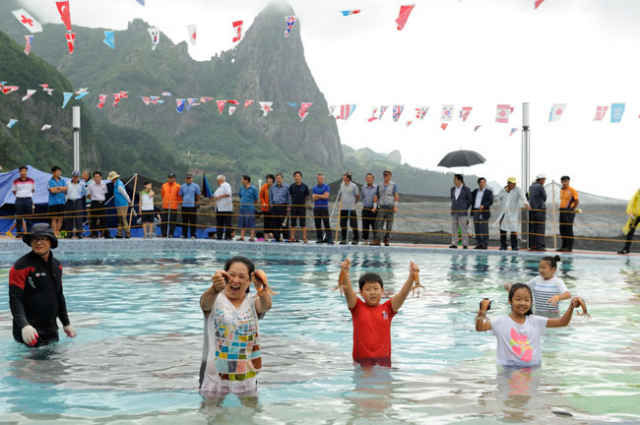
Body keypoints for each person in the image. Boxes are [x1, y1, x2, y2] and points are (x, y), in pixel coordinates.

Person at [199, 256, 272, 399]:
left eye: (242, 276)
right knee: (214, 420)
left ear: (250, 281)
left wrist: (261, 288)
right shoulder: (215, 299)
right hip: (216, 377)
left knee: (248, 418)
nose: (236, 280)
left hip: (246, 376)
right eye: (231, 275)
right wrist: (214, 288)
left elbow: (266, 305)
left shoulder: (252, 301)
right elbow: (204, 303)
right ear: (224, 276)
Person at [475, 283, 582, 368]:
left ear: (531, 302)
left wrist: (571, 307)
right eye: (518, 299)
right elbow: (480, 328)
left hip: (531, 368)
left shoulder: (535, 321)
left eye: (527, 300)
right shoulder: (501, 321)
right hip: (508, 368)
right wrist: (482, 311)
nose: (522, 303)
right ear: (509, 301)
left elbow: (562, 322)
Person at [337, 258, 420, 366]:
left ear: (382, 291)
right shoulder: (357, 308)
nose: (372, 292)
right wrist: (344, 273)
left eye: (376, 288)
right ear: (361, 292)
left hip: (384, 361)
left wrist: (411, 277)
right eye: (368, 289)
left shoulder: (388, 309)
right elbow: (348, 291)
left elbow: (402, 295)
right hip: (362, 362)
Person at [9, 223, 77, 347]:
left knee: (56, 365)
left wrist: (66, 323)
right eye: (35, 239)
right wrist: (24, 326)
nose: (38, 242)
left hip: (51, 331)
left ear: (50, 242)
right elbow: (15, 300)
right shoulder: (21, 266)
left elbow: (59, 296)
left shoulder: (57, 266)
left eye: (43, 239)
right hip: (29, 333)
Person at [503, 256, 571, 315]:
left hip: (552, 314)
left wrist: (556, 298)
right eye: (540, 267)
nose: (541, 270)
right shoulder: (536, 280)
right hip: (537, 313)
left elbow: (567, 294)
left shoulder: (557, 282)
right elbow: (522, 289)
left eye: (544, 268)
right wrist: (510, 287)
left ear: (553, 269)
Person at [495, 177, 531, 251]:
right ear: (508, 183)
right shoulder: (502, 190)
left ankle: (514, 245)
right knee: (502, 230)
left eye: (514, 183)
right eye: (512, 183)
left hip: (513, 213)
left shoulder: (517, 189)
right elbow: (499, 199)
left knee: (513, 229)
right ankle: (503, 245)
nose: (514, 184)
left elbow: (523, 197)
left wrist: (526, 203)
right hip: (503, 213)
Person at [371, 170, 399, 246]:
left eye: (387, 174)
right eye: (384, 174)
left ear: (390, 176)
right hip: (381, 207)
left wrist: (395, 206)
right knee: (378, 224)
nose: (385, 176)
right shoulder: (379, 185)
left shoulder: (394, 185)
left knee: (389, 224)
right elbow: (376, 196)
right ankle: (377, 240)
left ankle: (386, 239)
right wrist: (374, 206)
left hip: (390, 207)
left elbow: (396, 195)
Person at [449, 174, 473, 249]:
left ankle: (465, 244)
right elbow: (452, 199)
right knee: (454, 228)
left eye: (455, 179)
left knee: (464, 228)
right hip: (454, 211)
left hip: (463, 211)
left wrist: (465, 207)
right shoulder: (452, 189)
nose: (454, 180)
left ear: (460, 180)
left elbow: (470, 200)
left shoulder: (466, 189)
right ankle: (454, 243)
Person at [108, 171, 134, 239]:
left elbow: (125, 194)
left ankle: (127, 233)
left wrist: (129, 201)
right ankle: (119, 233)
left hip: (123, 204)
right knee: (120, 219)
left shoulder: (119, 185)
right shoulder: (116, 184)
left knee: (123, 218)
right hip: (118, 204)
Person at [12, 166, 36, 236]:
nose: (24, 172)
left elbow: (33, 190)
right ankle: (19, 232)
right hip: (19, 199)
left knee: (29, 215)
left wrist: (27, 194)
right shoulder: (15, 181)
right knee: (19, 216)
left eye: (25, 171)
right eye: (22, 171)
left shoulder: (32, 181)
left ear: (27, 172)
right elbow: (14, 191)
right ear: (19, 172)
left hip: (28, 199)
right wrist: (20, 195)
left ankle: (29, 231)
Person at [558, 176, 580, 252]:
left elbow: (576, 200)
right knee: (562, 229)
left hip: (569, 211)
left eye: (567, 181)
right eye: (564, 181)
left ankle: (569, 246)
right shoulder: (561, 190)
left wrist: (572, 208)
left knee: (568, 229)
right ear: (561, 182)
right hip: (562, 210)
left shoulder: (572, 190)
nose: (565, 183)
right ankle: (564, 246)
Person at [471, 177, 494, 250]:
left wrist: (483, 206)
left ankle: (484, 244)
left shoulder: (488, 192)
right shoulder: (475, 191)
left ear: (485, 183)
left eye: (483, 182)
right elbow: (470, 198)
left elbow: (490, 201)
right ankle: (478, 244)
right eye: (481, 182)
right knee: (477, 228)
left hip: (484, 211)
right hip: (476, 211)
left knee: (484, 228)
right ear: (478, 183)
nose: (482, 184)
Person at [86, 171, 111, 238]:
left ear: (101, 177)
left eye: (98, 177)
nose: (97, 178)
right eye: (95, 177)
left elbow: (105, 193)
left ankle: (106, 234)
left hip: (102, 203)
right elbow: (88, 195)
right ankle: (94, 234)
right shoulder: (90, 185)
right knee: (93, 219)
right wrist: (95, 198)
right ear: (93, 178)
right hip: (94, 203)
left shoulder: (104, 184)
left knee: (103, 219)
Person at [338, 172, 360, 245]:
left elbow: (357, 196)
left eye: (344, 176)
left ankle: (355, 239)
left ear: (348, 177)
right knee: (343, 224)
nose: (343, 177)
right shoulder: (342, 185)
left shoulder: (354, 186)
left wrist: (353, 203)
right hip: (343, 208)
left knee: (354, 224)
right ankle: (344, 239)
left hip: (351, 208)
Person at [528, 174, 548, 251]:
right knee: (540, 228)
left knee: (533, 228)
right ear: (540, 180)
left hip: (532, 210)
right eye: (544, 180)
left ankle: (532, 245)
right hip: (540, 210)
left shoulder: (531, 187)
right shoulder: (540, 187)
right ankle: (540, 246)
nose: (544, 181)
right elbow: (545, 197)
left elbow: (528, 197)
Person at [618, 188, 640, 255]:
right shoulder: (639, 191)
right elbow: (633, 200)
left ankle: (626, 249)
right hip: (636, 215)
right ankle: (626, 249)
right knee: (630, 231)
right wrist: (630, 211)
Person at [289, 171, 309, 243]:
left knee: (303, 223)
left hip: (302, 206)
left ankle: (304, 238)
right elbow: (290, 195)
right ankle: (292, 237)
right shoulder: (292, 186)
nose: (297, 177)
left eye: (298, 176)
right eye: (295, 176)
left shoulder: (305, 186)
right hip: (294, 205)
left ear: (301, 177)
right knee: (293, 222)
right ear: (294, 177)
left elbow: (306, 196)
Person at [46, 166, 67, 237]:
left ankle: (58, 232)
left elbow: (66, 189)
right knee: (54, 218)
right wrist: (61, 189)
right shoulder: (50, 181)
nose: (59, 173)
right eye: (57, 171)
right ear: (53, 172)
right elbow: (52, 191)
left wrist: (57, 188)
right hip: (53, 203)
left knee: (60, 219)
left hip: (62, 202)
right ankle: (54, 233)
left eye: (60, 172)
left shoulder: (63, 181)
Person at [64, 171, 86, 238]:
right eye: (74, 176)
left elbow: (83, 193)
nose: (75, 178)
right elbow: (65, 192)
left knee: (79, 218)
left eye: (77, 176)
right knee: (69, 218)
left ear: (79, 177)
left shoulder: (82, 184)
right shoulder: (67, 183)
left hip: (78, 201)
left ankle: (79, 233)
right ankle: (69, 233)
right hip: (69, 201)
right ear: (72, 176)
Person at [312, 173, 333, 244]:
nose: (319, 179)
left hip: (324, 208)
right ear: (317, 179)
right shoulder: (314, 188)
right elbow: (314, 198)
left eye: (321, 178)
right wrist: (322, 195)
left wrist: (317, 195)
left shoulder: (327, 187)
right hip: (316, 208)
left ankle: (329, 238)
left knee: (326, 223)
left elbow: (326, 197)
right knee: (317, 224)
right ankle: (319, 238)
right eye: (318, 178)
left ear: (323, 179)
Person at [269, 173, 290, 242]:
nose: (278, 180)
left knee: (284, 223)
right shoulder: (273, 187)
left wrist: (288, 206)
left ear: (282, 179)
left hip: (283, 206)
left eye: (279, 178)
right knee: (275, 222)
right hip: (275, 206)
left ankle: (286, 237)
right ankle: (276, 237)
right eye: (277, 178)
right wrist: (271, 205)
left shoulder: (286, 187)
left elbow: (289, 197)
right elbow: (271, 197)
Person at [238, 175, 260, 241]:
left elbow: (256, 199)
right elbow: (240, 196)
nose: (241, 181)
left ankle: (252, 237)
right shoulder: (242, 188)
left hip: (250, 208)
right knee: (242, 222)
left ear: (246, 180)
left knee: (251, 222)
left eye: (242, 179)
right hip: (242, 208)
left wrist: (251, 204)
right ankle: (242, 237)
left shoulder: (253, 189)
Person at [179, 173, 201, 239]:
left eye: (190, 178)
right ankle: (184, 234)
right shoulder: (182, 186)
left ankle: (193, 234)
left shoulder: (196, 186)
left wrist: (196, 202)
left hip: (192, 206)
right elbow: (181, 195)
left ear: (192, 179)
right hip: (184, 206)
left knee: (193, 221)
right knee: (184, 220)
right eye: (187, 178)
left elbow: (198, 195)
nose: (188, 180)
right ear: (185, 179)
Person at [161, 173, 182, 238]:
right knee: (164, 220)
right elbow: (162, 194)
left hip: (173, 206)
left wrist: (176, 203)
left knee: (172, 221)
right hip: (165, 205)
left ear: (174, 178)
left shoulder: (178, 186)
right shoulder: (164, 185)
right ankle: (164, 233)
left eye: (172, 177)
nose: (170, 179)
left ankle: (171, 234)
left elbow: (180, 197)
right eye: (169, 177)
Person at [213, 175, 233, 240]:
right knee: (219, 223)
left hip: (226, 208)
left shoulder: (226, 185)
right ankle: (219, 236)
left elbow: (228, 193)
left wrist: (220, 196)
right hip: (219, 208)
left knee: (227, 223)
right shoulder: (219, 188)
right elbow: (215, 195)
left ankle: (227, 236)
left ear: (219, 180)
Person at [360, 173, 378, 244]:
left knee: (374, 225)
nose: (369, 179)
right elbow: (363, 197)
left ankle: (375, 239)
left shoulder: (377, 187)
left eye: (370, 178)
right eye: (367, 178)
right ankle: (365, 240)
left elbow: (377, 197)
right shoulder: (363, 187)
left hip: (374, 209)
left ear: (373, 179)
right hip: (365, 209)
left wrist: (375, 207)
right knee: (365, 225)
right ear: (365, 179)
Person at [259, 174, 275, 241]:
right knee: (266, 222)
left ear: (273, 180)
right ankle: (266, 237)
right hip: (266, 208)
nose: (269, 180)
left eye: (271, 179)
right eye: (268, 179)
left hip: (274, 208)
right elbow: (261, 196)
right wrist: (263, 203)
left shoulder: (275, 187)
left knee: (274, 222)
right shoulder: (264, 187)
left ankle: (274, 237)